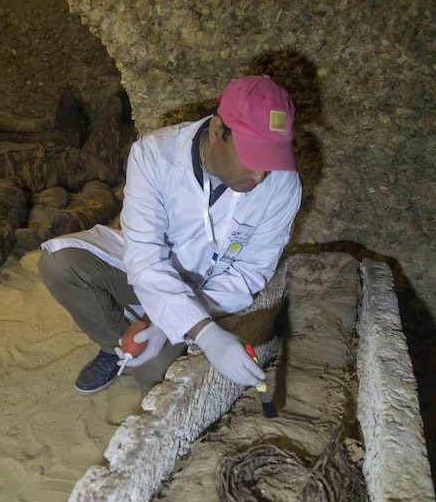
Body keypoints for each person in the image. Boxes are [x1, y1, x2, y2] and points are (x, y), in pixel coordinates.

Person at [38, 75, 301, 396]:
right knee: (60, 265)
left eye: (270, 162)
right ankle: (116, 346)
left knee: (152, 372)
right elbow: (146, 260)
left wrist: (173, 322)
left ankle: (145, 337)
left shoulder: (283, 185)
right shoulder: (153, 156)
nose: (260, 176)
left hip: (211, 289)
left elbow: (248, 274)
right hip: (151, 268)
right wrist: (205, 334)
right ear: (218, 130)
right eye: (252, 156)